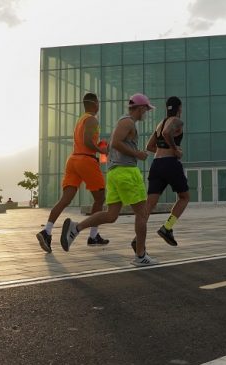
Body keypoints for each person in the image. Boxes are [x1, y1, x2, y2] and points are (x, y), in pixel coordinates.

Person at [60, 93, 158, 266]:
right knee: (142, 214)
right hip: (126, 172)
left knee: (111, 215)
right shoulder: (127, 122)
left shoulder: (126, 122)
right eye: (147, 109)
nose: (147, 113)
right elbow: (115, 143)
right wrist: (138, 154)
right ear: (141, 108)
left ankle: (76, 228)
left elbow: (117, 143)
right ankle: (141, 256)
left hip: (115, 173)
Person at [35, 92, 109, 253]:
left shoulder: (81, 120)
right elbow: (87, 141)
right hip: (86, 160)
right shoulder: (92, 119)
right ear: (95, 104)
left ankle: (46, 231)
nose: (99, 106)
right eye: (98, 103)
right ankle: (93, 235)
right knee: (100, 197)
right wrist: (101, 149)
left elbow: (82, 140)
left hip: (73, 160)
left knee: (65, 199)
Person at [144, 96, 188, 247]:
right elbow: (167, 133)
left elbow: (149, 146)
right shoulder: (176, 121)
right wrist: (175, 150)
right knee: (184, 197)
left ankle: (138, 239)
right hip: (170, 164)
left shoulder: (160, 124)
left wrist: (163, 150)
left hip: (156, 164)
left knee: (149, 205)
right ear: (179, 108)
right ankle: (167, 227)